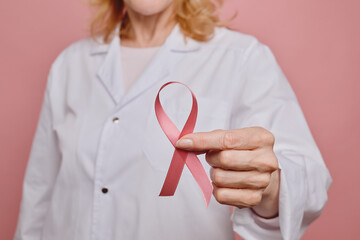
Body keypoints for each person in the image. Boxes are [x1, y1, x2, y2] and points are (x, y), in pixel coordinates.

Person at [13, 0, 332, 239]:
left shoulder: (240, 57)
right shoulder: (70, 65)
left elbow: (309, 180)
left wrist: (271, 187)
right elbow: (38, 199)